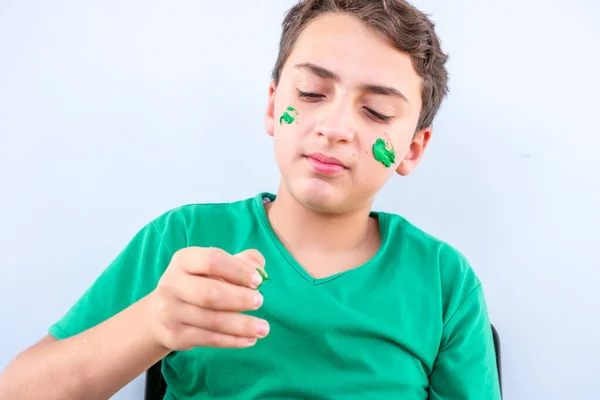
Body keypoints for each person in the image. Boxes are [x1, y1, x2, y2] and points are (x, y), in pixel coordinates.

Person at [0, 0, 502, 399]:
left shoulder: (444, 281)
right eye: (310, 93)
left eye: (374, 110)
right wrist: (153, 322)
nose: (334, 128)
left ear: (412, 148)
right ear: (272, 105)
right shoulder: (184, 238)